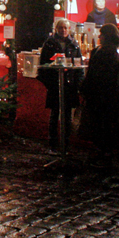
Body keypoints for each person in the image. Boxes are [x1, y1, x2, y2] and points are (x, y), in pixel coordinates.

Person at [79, 23, 119, 168]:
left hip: (100, 94)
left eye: (101, 34)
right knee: (105, 125)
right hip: (108, 94)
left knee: (99, 125)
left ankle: (102, 153)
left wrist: (85, 88)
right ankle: (104, 153)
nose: (99, 36)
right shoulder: (111, 52)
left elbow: (95, 74)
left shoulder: (104, 52)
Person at [37, 19, 83, 152]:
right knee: (54, 114)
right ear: (56, 29)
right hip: (55, 85)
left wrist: (78, 83)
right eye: (61, 28)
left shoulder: (74, 44)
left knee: (67, 116)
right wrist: (50, 84)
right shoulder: (49, 44)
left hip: (69, 86)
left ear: (69, 29)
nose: (63, 30)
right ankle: (52, 143)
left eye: (65, 28)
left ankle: (66, 143)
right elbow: (43, 67)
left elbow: (79, 67)